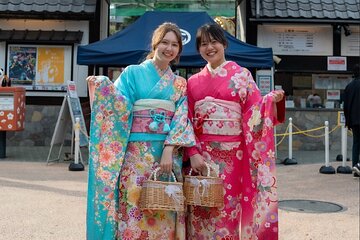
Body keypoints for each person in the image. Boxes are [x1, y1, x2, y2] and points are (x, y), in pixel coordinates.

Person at [86, 22, 195, 239]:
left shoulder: (180, 84)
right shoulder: (132, 73)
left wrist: (168, 149)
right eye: (165, 42)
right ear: (155, 44)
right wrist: (102, 87)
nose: (169, 48)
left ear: (179, 51)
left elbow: (182, 118)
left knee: (164, 210)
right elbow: (118, 105)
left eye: (175, 45)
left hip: (165, 156)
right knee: (133, 208)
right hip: (135, 156)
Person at [184, 23, 285, 239]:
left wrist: (269, 101)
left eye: (214, 42)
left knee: (227, 209)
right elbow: (186, 121)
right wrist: (193, 153)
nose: (209, 47)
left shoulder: (242, 76)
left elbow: (254, 111)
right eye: (203, 44)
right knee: (200, 209)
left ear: (224, 44)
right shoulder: (192, 82)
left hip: (233, 158)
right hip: (202, 157)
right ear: (198, 49)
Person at [343, 63, 360, 177]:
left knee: (356, 144)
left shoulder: (349, 86)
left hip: (354, 121)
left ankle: (355, 167)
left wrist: (348, 122)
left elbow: (346, 106)